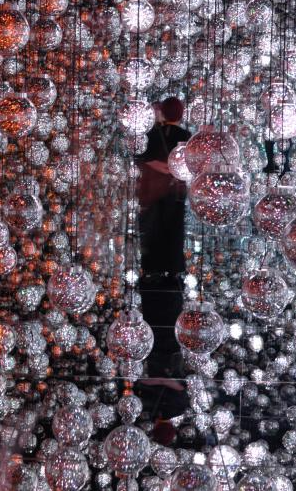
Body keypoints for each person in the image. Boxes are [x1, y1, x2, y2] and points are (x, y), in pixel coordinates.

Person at [135, 96, 190, 385]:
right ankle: (168, 267)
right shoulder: (184, 136)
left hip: (155, 193)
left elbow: (142, 157)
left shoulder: (154, 134)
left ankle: (155, 266)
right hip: (172, 194)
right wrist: (173, 169)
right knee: (171, 231)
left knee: (155, 231)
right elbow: (189, 163)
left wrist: (163, 167)